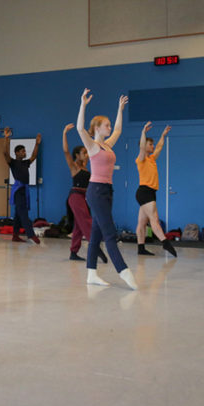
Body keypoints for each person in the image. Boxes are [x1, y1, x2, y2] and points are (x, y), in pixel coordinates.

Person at [76, 91, 137, 290]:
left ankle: (91, 273)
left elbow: (119, 130)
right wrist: (83, 105)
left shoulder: (107, 145)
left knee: (96, 234)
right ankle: (123, 270)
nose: (110, 128)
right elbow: (79, 128)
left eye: (110, 124)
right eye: (107, 125)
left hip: (107, 191)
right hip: (95, 191)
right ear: (97, 128)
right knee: (109, 233)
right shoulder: (92, 147)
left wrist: (120, 110)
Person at [134, 122, 178, 257]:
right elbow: (142, 146)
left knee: (142, 223)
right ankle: (165, 243)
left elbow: (159, 147)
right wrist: (143, 133)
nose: (152, 146)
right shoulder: (140, 159)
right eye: (150, 144)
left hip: (148, 192)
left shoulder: (152, 159)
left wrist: (163, 135)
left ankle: (141, 249)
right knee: (154, 219)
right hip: (145, 192)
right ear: (144, 146)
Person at [2, 127, 42, 244]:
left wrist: (37, 144)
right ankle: (31, 235)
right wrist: (6, 138)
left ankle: (15, 235)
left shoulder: (25, 163)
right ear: (17, 153)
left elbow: (34, 156)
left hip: (24, 190)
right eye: (23, 151)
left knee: (18, 215)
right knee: (23, 213)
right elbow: (5, 153)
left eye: (25, 151)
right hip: (19, 190)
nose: (25, 153)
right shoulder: (13, 162)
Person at [62, 123, 95, 262]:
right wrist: (64, 133)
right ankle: (95, 246)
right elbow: (65, 151)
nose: (86, 155)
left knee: (79, 226)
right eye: (84, 153)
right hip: (75, 197)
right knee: (87, 221)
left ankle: (73, 252)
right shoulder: (74, 166)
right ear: (77, 155)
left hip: (85, 198)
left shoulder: (87, 168)